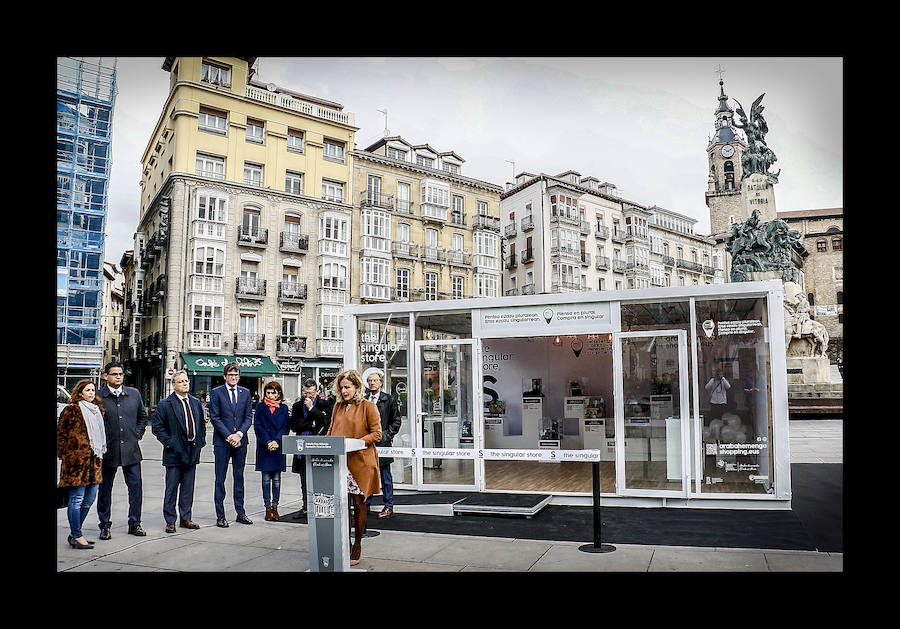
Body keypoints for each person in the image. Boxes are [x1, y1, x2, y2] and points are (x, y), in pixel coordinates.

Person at [326, 369, 382, 566]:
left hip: (360, 462)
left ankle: (357, 544)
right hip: (340, 462)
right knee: (342, 506)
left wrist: (356, 443)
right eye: (341, 387)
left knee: (358, 504)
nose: (344, 391)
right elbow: (331, 431)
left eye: (347, 387)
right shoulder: (337, 406)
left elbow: (377, 434)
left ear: (357, 387)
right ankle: (344, 543)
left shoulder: (368, 407)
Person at [96, 361, 149, 540]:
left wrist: (137, 435)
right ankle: (104, 525)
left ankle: (135, 523)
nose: (118, 377)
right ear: (105, 376)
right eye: (114, 374)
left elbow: (142, 416)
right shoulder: (98, 397)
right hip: (107, 452)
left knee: (135, 489)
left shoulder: (134, 394)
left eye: (120, 374)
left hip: (131, 451)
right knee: (104, 491)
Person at [151, 370, 206, 533]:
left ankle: (186, 518)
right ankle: (170, 520)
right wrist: (170, 443)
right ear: (174, 385)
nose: (185, 384)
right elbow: (157, 427)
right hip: (174, 452)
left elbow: (201, 424)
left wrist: (201, 442)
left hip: (192, 452)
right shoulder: (165, 404)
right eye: (181, 381)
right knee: (172, 488)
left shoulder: (195, 402)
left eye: (186, 381)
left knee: (188, 488)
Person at [58, 380, 107, 550]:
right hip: (76, 464)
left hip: (95, 462)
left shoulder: (97, 411)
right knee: (77, 499)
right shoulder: (71, 410)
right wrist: (67, 455)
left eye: (93, 390)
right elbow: (61, 434)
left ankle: (74, 534)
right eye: (88, 390)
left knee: (89, 500)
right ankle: (77, 535)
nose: (92, 393)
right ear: (80, 393)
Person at [209, 362, 253, 527]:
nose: (233, 377)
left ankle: (240, 512)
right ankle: (220, 515)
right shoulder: (216, 393)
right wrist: (229, 436)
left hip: (241, 441)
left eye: (236, 375)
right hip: (222, 442)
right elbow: (215, 417)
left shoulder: (245, 393)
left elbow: (248, 416)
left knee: (239, 477)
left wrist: (239, 434)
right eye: (231, 375)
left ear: (239, 376)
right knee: (220, 478)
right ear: (225, 376)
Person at [289, 378, 335, 518]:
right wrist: (312, 424)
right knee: (304, 478)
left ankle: (319, 506)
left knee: (319, 478)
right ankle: (305, 506)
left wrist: (311, 409)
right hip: (302, 446)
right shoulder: (297, 406)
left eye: (310, 393)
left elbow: (326, 422)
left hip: (318, 445)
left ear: (317, 391)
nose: (307, 396)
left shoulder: (325, 404)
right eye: (305, 393)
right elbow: (294, 425)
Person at [364, 371, 402, 519]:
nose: (372, 383)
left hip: (383, 443)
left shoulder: (389, 399)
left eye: (375, 380)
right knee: (367, 475)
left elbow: (396, 421)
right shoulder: (364, 399)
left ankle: (388, 506)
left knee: (385, 475)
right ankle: (365, 505)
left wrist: (385, 435)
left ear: (381, 383)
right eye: (370, 381)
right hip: (367, 444)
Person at [255, 381, 291, 521]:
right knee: (265, 480)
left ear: (279, 394)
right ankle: (267, 507)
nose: (270, 395)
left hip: (278, 446)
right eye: (268, 393)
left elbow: (285, 426)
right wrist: (268, 441)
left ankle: (275, 507)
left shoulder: (283, 408)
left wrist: (276, 441)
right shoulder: (260, 407)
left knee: (276, 480)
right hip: (265, 447)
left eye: (273, 393)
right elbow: (258, 426)